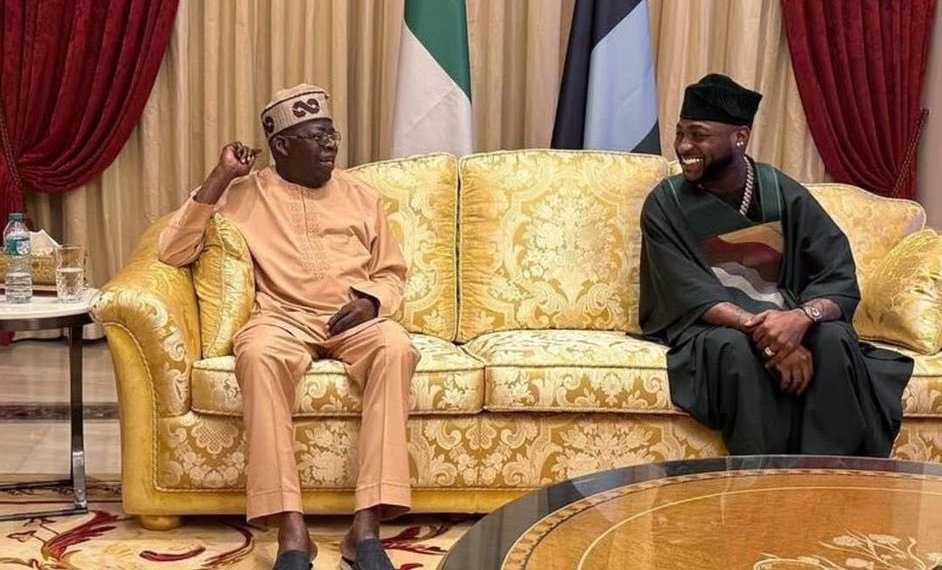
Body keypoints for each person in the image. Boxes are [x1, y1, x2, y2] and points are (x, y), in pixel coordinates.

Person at [158, 84, 418, 570]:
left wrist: (371, 302)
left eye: (332, 134)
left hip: (353, 320)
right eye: (317, 137)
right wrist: (220, 176)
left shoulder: (362, 196)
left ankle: (365, 528)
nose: (331, 145)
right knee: (256, 356)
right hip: (281, 320)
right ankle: (292, 531)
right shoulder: (243, 194)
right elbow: (173, 251)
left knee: (396, 347)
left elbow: (392, 273)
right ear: (281, 146)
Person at [638, 73, 913, 458]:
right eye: (680, 133)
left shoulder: (781, 193)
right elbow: (685, 291)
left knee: (833, 339)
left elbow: (838, 275)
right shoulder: (664, 204)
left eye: (698, 135)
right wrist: (771, 337)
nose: (684, 146)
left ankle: (829, 476)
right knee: (733, 349)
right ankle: (762, 481)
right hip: (712, 328)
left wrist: (800, 319)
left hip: (787, 315)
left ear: (740, 137)